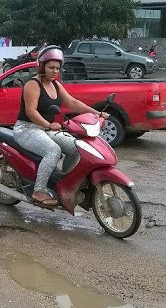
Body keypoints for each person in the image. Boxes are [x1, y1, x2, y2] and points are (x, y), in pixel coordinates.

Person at [13, 45, 110, 207]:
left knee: (76, 147)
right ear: (42, 66)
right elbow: (31, 112)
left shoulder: (56, 85)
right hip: (26, 129)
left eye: (57, 68)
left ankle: (65, 182)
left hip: (46, 129)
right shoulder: (33, 84)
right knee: (53, 150)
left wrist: (97, 113)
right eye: (51, 67)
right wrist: (49, 124)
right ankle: (39, 190)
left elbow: (72, 103)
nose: (54, 71)